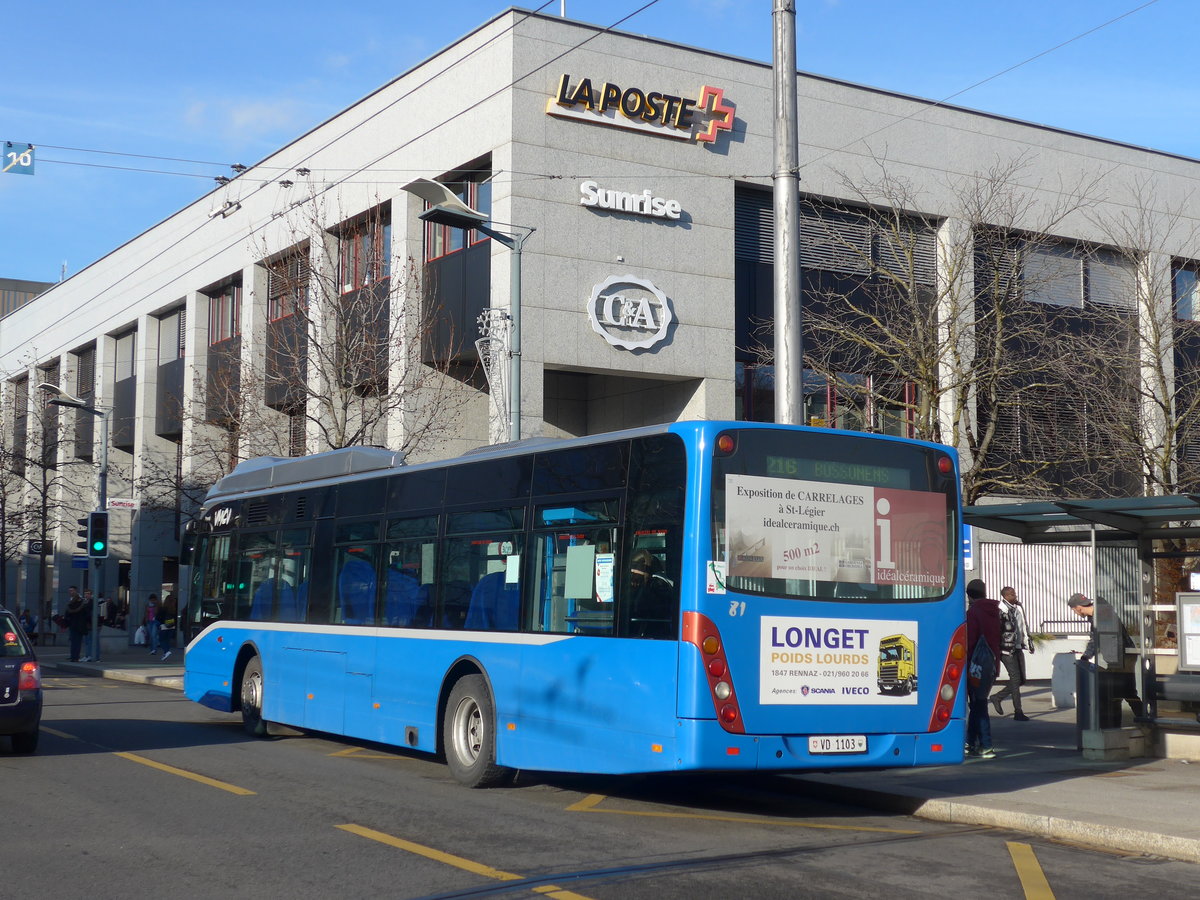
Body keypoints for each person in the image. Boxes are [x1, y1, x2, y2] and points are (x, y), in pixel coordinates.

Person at [1068, 592, 1145, 719]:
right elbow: (1098, 639)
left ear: (1078, 608)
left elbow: (1103, 640)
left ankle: (1138, 719)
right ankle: (1140, 717)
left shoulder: (1101, 615)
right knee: (1124, 691)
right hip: (1121, 656)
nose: (1076, 613)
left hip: (1122, 657)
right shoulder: (1099, 614)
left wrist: (1088, 657)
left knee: (1121, 691)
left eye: (1074, 611)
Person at [965, 578, 1002, 759]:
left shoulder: (973, 613)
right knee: (977, 703)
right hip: (991, 664)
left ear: (969, 595)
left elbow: (970, 642)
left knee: (978, 705)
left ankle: (986, 745)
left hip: (975, 665)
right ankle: (970, 742)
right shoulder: (994, 612)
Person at [991, 586, 1034, 721]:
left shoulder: (1017, 609)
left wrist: (1028, 643)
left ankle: (997, 697)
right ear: (1006, 596)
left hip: (1018, 647)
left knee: (1021, 680)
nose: (1015, 596)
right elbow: (997, 631)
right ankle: (1018, 711)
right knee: (1015, 679)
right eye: (1012, 594)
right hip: (1006, 650)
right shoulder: (1000, 610)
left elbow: (1022, 628)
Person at [628, 549, 676, 638]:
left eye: (637, 578)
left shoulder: (658, 587)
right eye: (632, 577)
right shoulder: (659, 584)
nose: (633, 583)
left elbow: (641, 611)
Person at [64, 587, 90, 663]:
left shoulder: (75, 602)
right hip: (77, 624)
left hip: (76, 624)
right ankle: (75, 657)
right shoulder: (79, 602)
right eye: (70, 591)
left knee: (75, 642)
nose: (70, 592)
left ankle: (74, 657)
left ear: (76, 591)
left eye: (72, 591)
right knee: (76, 642)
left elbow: (68, 613)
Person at [156, 593, 178, 661]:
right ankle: (166, 652)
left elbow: (158, 618)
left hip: (164, 627)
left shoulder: (163, 609)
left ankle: (166, 651)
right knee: (167, 641)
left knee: (162, 640)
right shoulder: (174, 609)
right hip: (172, 627)